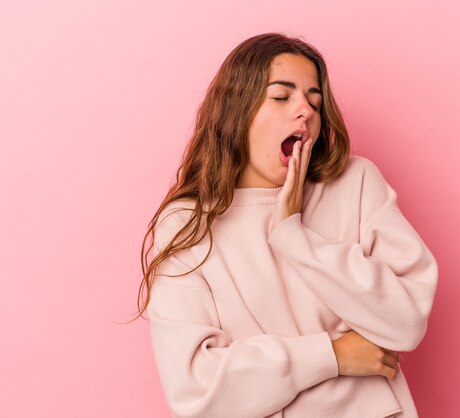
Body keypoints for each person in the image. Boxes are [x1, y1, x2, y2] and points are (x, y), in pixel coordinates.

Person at [136, 32, 438, 418]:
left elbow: (405, 321)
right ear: (237, 110)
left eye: (314, 100)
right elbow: (195, 387)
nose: (306, 111)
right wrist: (333, 355)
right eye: (282, 96)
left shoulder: (354, 184)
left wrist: (292, 235)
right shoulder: (187, 224)